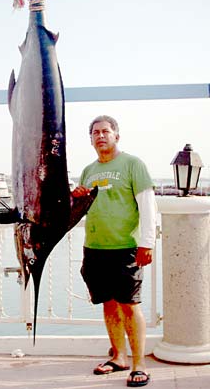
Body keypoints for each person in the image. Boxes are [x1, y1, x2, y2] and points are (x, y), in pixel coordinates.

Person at [73, 115, 156, 388]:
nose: (100, 136)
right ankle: (118, 357)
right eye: (95, 132)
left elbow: (147, 206)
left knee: (130, 306)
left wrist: (147, 243)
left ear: (116, 136)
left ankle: (138, 364)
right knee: (108, 304)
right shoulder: (88, 170)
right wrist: (78, 197)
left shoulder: (133, 164)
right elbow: (82, 209)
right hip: (95, 248)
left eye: (105, 131)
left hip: (126, 248)